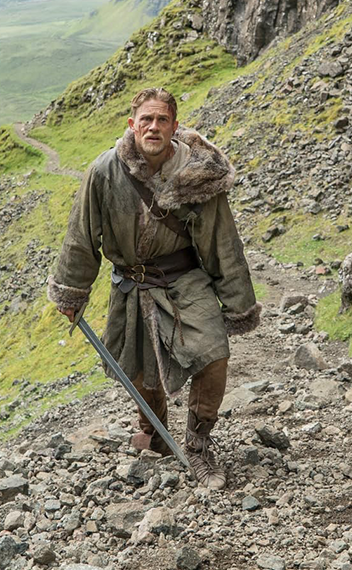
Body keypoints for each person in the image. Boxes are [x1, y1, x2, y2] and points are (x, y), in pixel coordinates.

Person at [47, 87, 260, 489]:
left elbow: (223, 243)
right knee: (142, 372)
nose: (154, 127)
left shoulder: (199, 175)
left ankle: (198, 445)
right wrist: (72, 291)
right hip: (131, 284)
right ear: (132, 125)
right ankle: (155, 432)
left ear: (174, 126)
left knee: (213, 353)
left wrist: (237, 306)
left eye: (162, 119)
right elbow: (81, 235)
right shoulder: (105, 171)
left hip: (185, 279)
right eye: (146, 119)